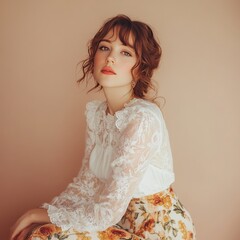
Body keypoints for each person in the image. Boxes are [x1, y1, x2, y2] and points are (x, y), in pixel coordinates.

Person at [10, 15, 196, 240]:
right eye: (104, 48)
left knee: (47, 235)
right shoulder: (97, 114)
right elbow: (85, 185)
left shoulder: (142, 119)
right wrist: (46, 214)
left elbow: (107, 212)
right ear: (93, 57)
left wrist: (36, 215)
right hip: (115, 223)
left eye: (125, 53)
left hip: (155, 231)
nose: (110, 59)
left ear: (140, 69)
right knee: (43, 232)